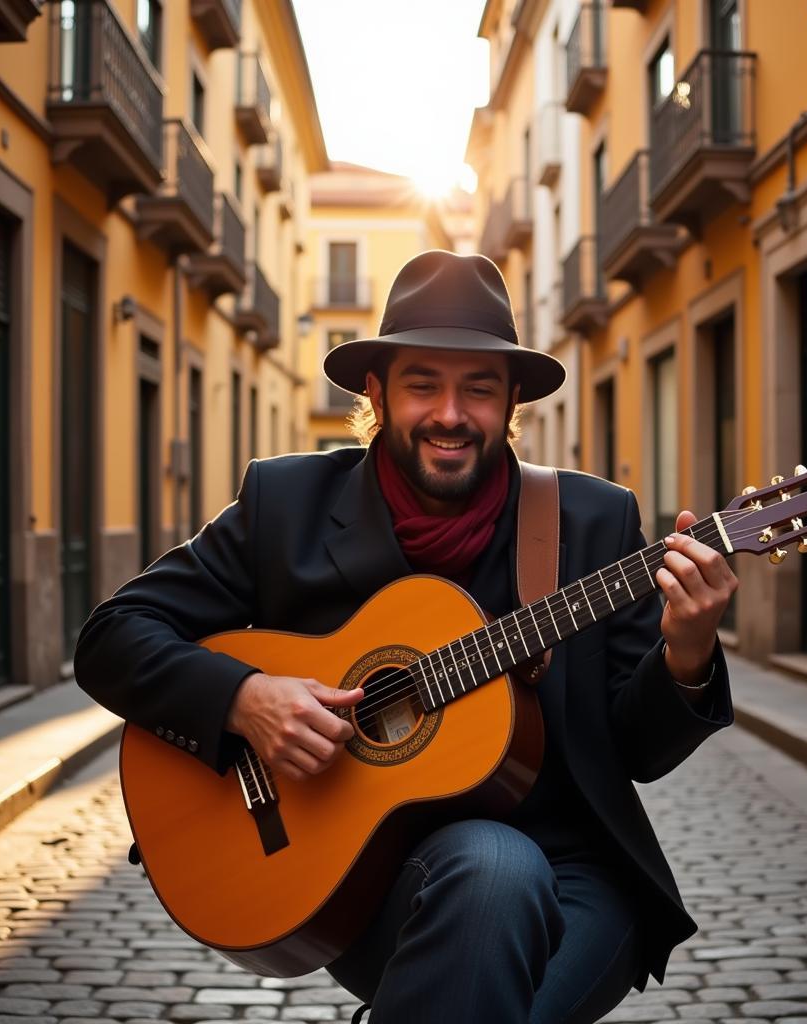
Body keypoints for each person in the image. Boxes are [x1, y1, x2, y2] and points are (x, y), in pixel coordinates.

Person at [74, 250, 738, 1024]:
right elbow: (112, 637)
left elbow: (637, 753)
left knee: (499, 892)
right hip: (370, 880)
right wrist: (245, 698)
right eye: (423, 384)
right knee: (494, 868)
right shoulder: (285, 505)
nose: (450, 415)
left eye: (479, 389)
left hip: (576, 870)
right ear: (377, 392)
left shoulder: (593, 522)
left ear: (513, 400)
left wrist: (687, 653)